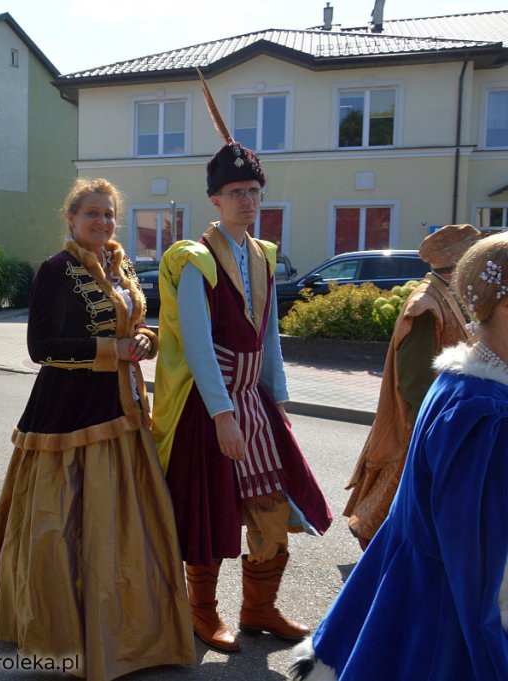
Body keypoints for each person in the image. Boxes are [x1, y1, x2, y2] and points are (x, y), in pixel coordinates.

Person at [0, 178, 195, 680]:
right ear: (71, 218)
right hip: (69, 414)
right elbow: (41, 347)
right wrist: (111, 351)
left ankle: (130, 629)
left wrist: (145, 339)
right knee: (62, 525)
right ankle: (66, 632)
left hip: (125, 410)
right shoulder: (56, 270)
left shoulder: (120, 265)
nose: (102, 222)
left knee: (128, 527)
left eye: (109, 214)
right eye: (92, 213)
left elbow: (132, 324)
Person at [153, 71, 331, 654]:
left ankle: (259, 608)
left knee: (274, 506)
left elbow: (269, 336)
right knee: (208, 512)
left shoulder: (263, 254)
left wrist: (276, 398)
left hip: (254, 401)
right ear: (215, 199)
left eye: (253, 191)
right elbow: (198, 345)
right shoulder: (194, 258)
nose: (246, 201)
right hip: (211, 407)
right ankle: (202, 612)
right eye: (235, 193)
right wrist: (223, 414)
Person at [291, 232, 508, 681]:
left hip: (421, 587)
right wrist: (490, 653)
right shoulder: (487, 413)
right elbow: (476, 562)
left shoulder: (462, 384)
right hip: (447, 614)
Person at [343, 224, 481, 550]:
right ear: (461, 264)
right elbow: (414, 379)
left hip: (440, 417)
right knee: (390, 500)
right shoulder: (425, 304)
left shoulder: (447, 295)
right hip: (419, 421)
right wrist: (432, 427)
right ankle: (379, 552)